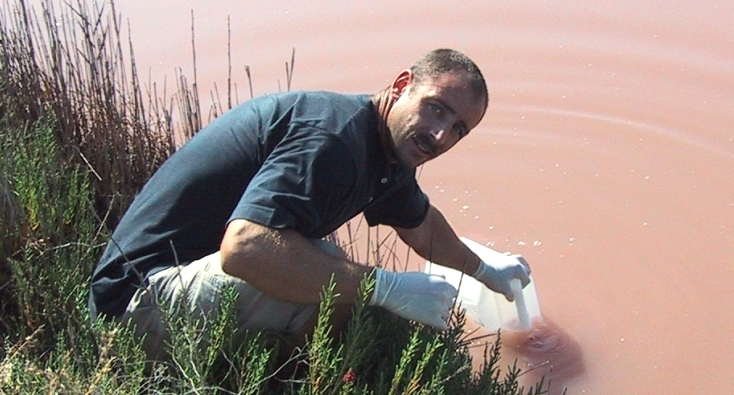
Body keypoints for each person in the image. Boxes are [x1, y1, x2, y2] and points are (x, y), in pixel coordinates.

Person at [89, 48, 530, 360]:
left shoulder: (388, 150)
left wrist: (486, 271)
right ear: (401, 86)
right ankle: (292, 376)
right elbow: (244, 247)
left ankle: (288, 370)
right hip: (133, 303)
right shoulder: (334, 138)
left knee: (338, 277)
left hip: (180, 284)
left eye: (458, 129)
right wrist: (387, 288)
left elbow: (424, 227)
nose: (440, 136)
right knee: (333, 273)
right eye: (436, 109)